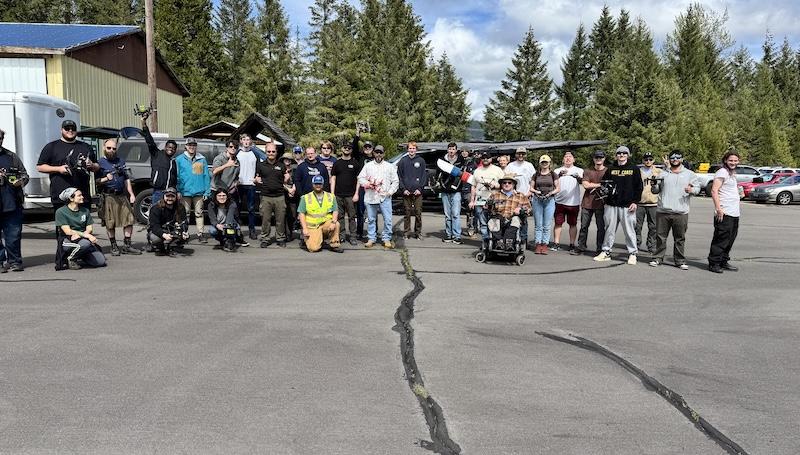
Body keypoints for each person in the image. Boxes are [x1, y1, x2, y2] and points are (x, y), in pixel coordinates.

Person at [649, 151, 701, 269]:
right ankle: (657, 258)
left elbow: (697, 188)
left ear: (682, 159)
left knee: (680, 238)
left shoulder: (689, 174)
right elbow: (656, 190)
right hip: (663, 210)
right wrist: (654, 186)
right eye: (672, 158)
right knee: (660, 237)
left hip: (681, 211)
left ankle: (679, 260)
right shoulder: (662, 174)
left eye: (678, 157)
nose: (675, 159)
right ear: (670, 160)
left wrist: (691, 190)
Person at [594, 146, 643, 264]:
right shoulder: (611, 168)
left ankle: (632, 253)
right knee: (609, 230)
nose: (621, 155)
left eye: (624, 153)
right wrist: (605, 198)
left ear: (628, 155)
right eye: (619, 153)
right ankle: (606, 251)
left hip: (627, 205)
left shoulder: (634, 168)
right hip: (611, 204)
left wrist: (635, 202)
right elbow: (604, 184)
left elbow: (639, 187)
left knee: (629, 231)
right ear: (616, 155)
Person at [36, 119, 99, 211]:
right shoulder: (52, 147)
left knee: (84, 225)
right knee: (64, 225)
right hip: (61, 197)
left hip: (82, 197)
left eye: (73, 128)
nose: (70, 131)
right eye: (67, 128)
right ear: (61, 130)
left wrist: (92, 165)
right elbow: (40, 167)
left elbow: (97, 167)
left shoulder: (85, 147)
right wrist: (58, 169)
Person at [96, 138, 142, 256]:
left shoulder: (121, 161)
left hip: (122, 195)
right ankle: (114, 246)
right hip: (108, 196)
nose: (111, 150)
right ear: (104, 148)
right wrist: (106, 178)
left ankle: (127, 245)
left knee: (129, 220)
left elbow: (126, 179)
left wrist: (131, 194)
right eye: (109, 148)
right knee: (110, 223)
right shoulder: (100, 163)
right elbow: (97, 181)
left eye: (114, 148)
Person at [357, 145, 399, 249]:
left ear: (384, 153)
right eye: (377, 152)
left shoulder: (390, 166)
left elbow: (395, 181)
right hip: (371, 196)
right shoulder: (368, 166)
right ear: (373, 153)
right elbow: (360, 178)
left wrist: (390, 192)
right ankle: (371, 238)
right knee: (371, 219)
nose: (379, 154)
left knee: (388, 219)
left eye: (381, 152)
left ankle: (386, 238)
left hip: (385, 197)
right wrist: (367, 184)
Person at [0, 128, 30, 272]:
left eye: (0, 138)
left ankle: (15, 261)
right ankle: (0, 263)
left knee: (13, 236)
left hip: (12, 203)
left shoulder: (11, 156)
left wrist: (20, 181)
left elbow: (25, 175)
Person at [707, 150, 741, 274]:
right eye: (730, 160)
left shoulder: (731, 173)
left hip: (734, 212)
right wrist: (718, 208)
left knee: (730, 238)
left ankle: (723, 260)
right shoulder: (722, 172)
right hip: (724, 212)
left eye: (735, 160)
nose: (733, 162)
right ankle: (714, 262)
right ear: (725, 160)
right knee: (721, 239)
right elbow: (714, 191)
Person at [55, 188, 106, 269]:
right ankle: (70, 259)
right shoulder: (61, 212)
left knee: (100, 261)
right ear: (71, 198)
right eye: (79, 195)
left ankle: (81, 254)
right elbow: (67, 231)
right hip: (68, 239)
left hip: (82, 238)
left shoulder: (85, 211)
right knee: (85, 244)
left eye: (81, 195)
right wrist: (87, 236)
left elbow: (89, 228)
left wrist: (84, 236)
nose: (82, 197)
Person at [176, 138, 211, 242]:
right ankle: (184, 233)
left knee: (199, 213)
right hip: (184, 192)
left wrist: (207, 191)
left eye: (194, 145)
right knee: (184, 213)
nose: (192, 147)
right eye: (189, 145)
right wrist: (178, 190)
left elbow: (206, 176)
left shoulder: (202, 159)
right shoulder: (179, 159)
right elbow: (177, 176)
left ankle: (200, 234)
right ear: (185, 146)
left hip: (199, 192)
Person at [255, 142, 289, 248]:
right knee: (266, 219)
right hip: (266, 196)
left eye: (273, 151)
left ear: (276, 152)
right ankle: (265, 238)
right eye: (269, 151)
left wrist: (288, 178)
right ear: (265, 152)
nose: (271, 153)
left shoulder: (281, 165)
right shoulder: (261, 165)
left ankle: (280, 238)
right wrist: (256, 180)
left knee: (280, 220)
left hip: (279, 196)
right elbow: (256, 178)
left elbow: (286, 179)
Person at [140, 113, 178, 206]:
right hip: (158, 192)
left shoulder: (173, 162)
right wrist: (144, 123)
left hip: (169, 194)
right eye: (169, 147)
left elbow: (174, 179)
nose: (171, 149)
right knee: (155, 215)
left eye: (173, 148)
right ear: (165, 147)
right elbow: (149, 140)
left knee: (167, 216)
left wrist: (175, 191)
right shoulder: (156, 154)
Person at [298, 175, 343, 253]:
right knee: (313, 248)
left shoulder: (331, 196)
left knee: (336, 224)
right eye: (316, 184)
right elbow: (301, 214)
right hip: (312, 226)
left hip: (325, 223)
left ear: (323, 184)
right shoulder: (305, 197)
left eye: (319, 184)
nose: (318, 186)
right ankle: (311, 239)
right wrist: (304, 228)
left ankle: (334, 244)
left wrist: (333, 222)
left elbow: (335, 210)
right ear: (313, 184)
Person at [575, 150, 608, 255]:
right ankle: (581, 247)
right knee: (584, 226)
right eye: (596, 157)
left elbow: (609, 185)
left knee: (601, 228)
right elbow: (585, 185)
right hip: (587, 203)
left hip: (602, 204)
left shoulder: (608, 171)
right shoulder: (588, 171)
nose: (598, 159)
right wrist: (600, 185)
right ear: (593, 159)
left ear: (604, 158)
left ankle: (600, 248)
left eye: (600, 157)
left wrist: (592, 184)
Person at [486, 174, 531, 251]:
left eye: (509, 183)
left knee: (516, 220)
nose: (507, 184)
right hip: (499, 218)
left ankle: (508, 242)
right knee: (493, 220)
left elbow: (529, 209)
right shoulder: (495, 195)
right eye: (504, 182)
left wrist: (521, 210)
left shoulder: (521, 195)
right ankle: (499, 242)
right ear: (501, 184)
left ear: (513, 184)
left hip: (512, 218)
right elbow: (487, 208)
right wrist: (489, 204)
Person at [330, 142, 363, 245]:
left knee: (352, 217)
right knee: (339, 217)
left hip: (351, 195)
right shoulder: (337, 163)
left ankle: (353, 237)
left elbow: (359, 179)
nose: (347, 149)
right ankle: (342, 235)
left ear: (351, 150)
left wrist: (356, 193)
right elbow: (333, 178)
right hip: (338, 195)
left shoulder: (355, 163)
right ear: (342, 149)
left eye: (349, 148)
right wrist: (332, 194)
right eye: (345, 147)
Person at [552, 150, 583, 253]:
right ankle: (556, 243)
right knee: (558, 223)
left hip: (573, 202)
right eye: (566, 157)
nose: (568, 158)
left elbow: (583, 183)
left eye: (570, 157)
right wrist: (559, 175)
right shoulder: (557, 170)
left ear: (574, 159)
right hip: (559, 201)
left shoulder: (579, 170)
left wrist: (578, 178)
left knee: (573, 224)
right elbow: (553, 183)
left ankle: (572, 244)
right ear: (563, 159)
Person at [469, 152, 504, 243]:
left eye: (487, 157)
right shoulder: (477, 170)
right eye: (484, 157)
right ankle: (486, 243)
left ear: (491, 159)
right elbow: (473, 186)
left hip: (494, 199)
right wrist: (472, 201)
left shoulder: (497, 170)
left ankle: (495, 242)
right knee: (483, 223)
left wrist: (494, 186)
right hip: (480, 199)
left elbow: (505, 185)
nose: (485, 159)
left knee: (494, 222)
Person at [529, 154, 560, 254]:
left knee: (547, 224)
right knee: (538, 225)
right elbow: (531, 188)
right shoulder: (536, 174)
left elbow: (558, 188)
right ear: (540, 163)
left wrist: (550, 193)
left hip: (549, 200)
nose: (544, 164)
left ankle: (545, 244)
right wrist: (536, 192)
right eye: (543, 162)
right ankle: (538, 244)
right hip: (538, 200)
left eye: (546, 162)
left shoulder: (553, 174)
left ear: (549, 163)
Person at [396, 141, 426, 239]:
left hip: (418, 192)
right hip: (406, 191)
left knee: (418, 212)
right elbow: (399, 176)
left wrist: (420, 189)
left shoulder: (421, 160)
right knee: (407, 213)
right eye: (410, 148)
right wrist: (403, 189)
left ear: (416, 149)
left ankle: (418, 232)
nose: (412, 150)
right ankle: (406, 232)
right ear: (407, 149)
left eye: (413, 148)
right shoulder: (403, 161)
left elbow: (423, 176)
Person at [435, 142, 464, 244]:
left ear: (456, 150)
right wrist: (438, 183)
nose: (451, 151)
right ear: (447, 150)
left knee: (455, 213)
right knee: (447, 214)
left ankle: (457, 235)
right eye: (450, 149)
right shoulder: (442, 160)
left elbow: (463, 175)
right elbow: (437, 174)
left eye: (453, 149)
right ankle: (449, 234)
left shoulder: (461, 160)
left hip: (456, 190)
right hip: (445, 190)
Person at [507, 147, 535, 246]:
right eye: (519, 154)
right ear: (516, 154)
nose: (521, 156)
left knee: (523, 218)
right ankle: (512, 238)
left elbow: (533, 180)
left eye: (523, 154)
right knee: (511, 217)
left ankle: (523, 239)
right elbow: (507, 179)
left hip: (526, 195)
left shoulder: (529, 165)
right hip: (513, 195)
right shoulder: (510, 165)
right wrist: (512, 191)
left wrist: (530, 192)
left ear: (525, 155)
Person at [149, 187, 188, 257]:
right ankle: (159, 247)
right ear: (163, 196)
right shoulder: (156, 208)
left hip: (172, 229)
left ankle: (172, 247)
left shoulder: (180, 207)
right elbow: (154, 226)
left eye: (172, 196)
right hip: (159, 230)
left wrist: (184, 231)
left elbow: (184, 222)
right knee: (155, 238)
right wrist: (163, 235)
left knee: (185, 236)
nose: (170, 198)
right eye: (167, 196)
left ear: (176, 197)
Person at [635, 152, 662, 254]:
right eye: (646, 159)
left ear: (653, 160)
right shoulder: (638, 171)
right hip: (640, 203)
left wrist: (668, 165)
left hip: (653, 203)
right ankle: (636, 245)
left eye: (650, 159)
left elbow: (670, 174)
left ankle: (651, 246)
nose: (648, 161)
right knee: (637, 226)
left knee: (653, 227)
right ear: (643, 161)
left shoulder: (658, 172)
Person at [237, 134, 260, 239]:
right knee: (237, 208)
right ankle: (237, 230)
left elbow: (259, 168)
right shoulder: (237, 153)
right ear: (241, 141)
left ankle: (252, 230)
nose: (246, 141)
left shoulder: (255, 154)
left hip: (251, 184)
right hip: (239, 184)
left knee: (251, 209)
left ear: (250, 141)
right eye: (244, 139)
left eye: (248, 139)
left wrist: (257, 177)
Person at [355, 140, 374, 240]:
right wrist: (357, 136)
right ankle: (359, 232)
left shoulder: (376, 158)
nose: (367, 149)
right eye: (365, 147)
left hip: (373, 187)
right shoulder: (360, 157)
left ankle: (373, 232)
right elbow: (354, 147)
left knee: (373, 211)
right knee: (360, 211)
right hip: (362, 186)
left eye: (369, 147)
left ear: (372, 148)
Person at [282, 149, 300, 241]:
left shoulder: (295, 169)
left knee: (292, 215)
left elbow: (297, 180)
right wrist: (287, 189)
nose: (287, 161)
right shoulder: (280, 168)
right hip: (283, 193)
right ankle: (286, 234)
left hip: (293, 193)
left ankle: (290, 231)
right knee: (283, 214)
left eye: (289, 159)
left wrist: (293, 189)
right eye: (285, 159)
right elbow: (278, 182)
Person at [460, 149, 477, 237]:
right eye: (462, 151)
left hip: (468, 190)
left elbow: (474, 179)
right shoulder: (459, 163)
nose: (464, 152)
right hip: (459, 189)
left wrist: (472, 191)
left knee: (470, 211)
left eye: (466, 151)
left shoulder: (473, 164)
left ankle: (471, 228)